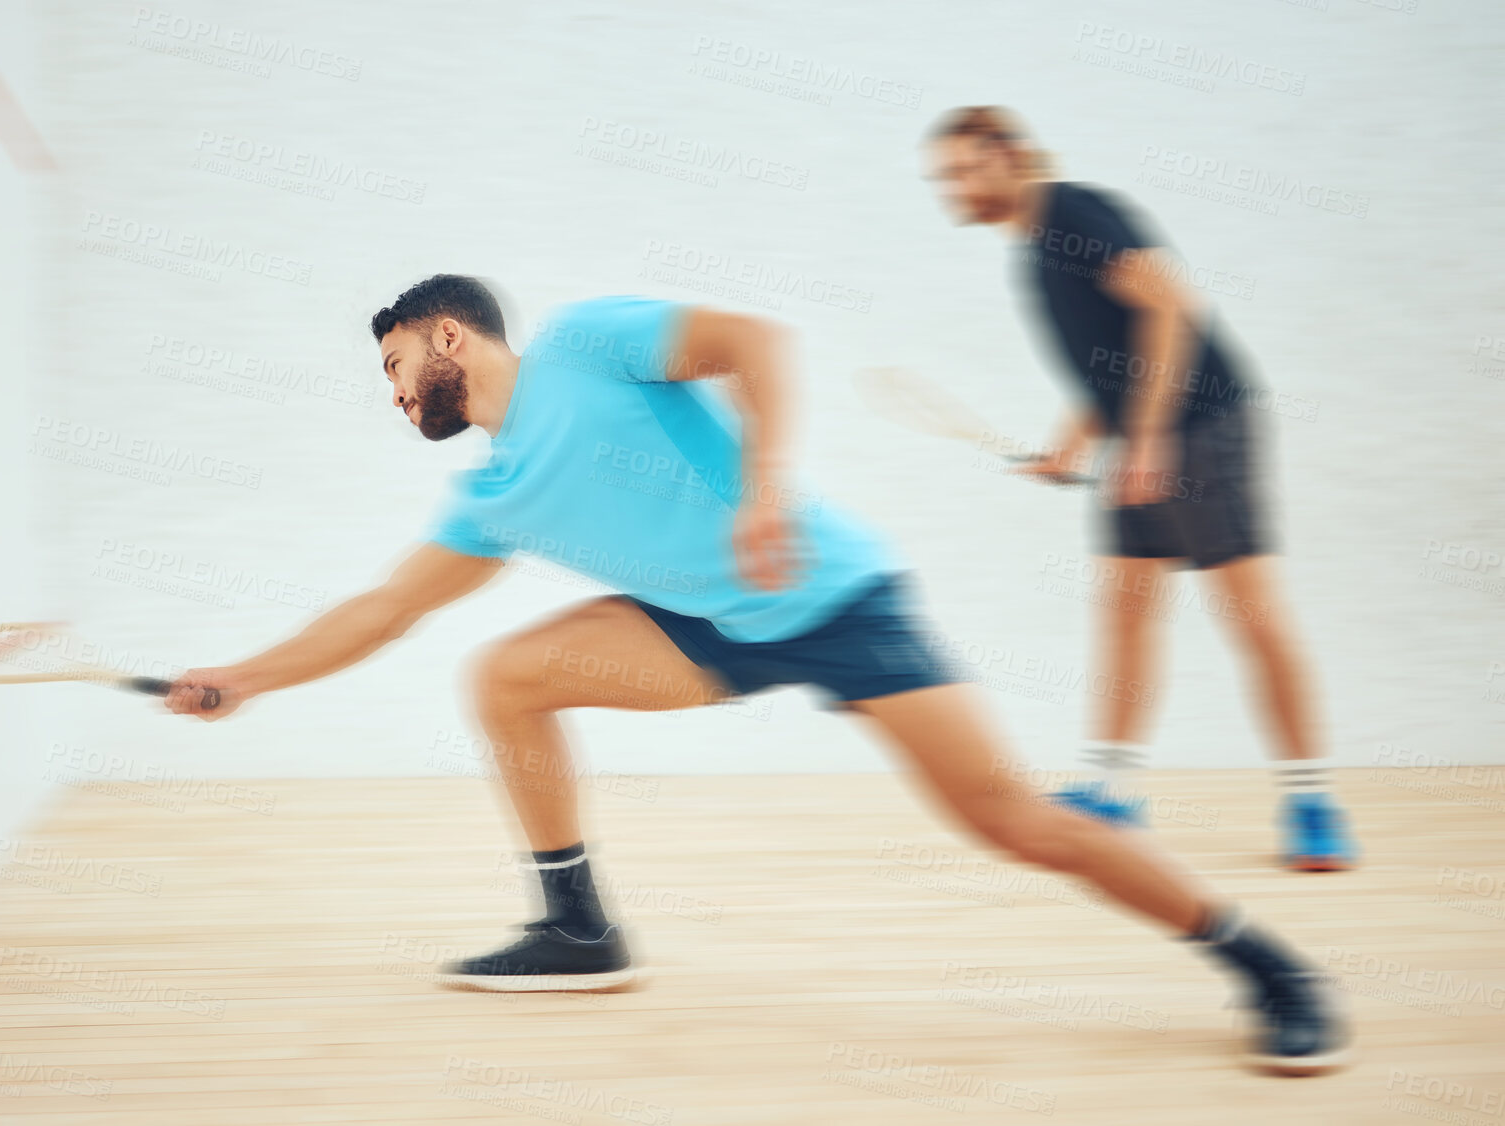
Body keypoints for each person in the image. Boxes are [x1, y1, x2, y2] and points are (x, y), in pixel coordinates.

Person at [165, 273, 1347, 1074]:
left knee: (1014, 821)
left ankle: (1262, 961)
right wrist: (247, 677)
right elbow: (381, 610)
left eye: (392, 363)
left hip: (837, 598)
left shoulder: (587, 344)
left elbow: (756, 343)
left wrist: (769, 485)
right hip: (704, 627)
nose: (392, 391)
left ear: (448, 337)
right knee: (505, 675)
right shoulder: (488, 494)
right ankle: (577, 931)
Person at [922, 106, 1356, 871]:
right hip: (1144, 435)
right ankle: (1112, 792)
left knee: (1251, 615)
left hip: (1204, 424)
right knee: (1123, 609)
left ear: (1009, 154)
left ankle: (1313, 803)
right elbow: (1111, 361)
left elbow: (1172, 307)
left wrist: (1151, 437)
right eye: (941, 176)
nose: (949, 187)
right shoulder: (1031, 249)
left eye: (961, 169)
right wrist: (1069, 448)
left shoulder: (1074, 213)